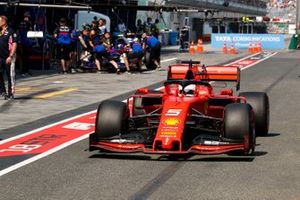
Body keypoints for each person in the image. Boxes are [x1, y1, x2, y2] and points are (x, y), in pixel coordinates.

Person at [0, 15, 18, 100]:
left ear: (4, 21)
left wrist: (10, 56)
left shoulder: (11, 31)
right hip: (0, 57)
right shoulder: (0, 31)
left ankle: (11, 93)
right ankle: (2, 91)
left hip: (8, 57)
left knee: (10, 75)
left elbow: (14, 44)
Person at [18, 12, 33, 76]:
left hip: (27, 42)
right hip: (21, 41)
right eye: (26, 17)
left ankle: (26, 70)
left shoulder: (30, 23)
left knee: (27, 56)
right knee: (22, 57)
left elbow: (31, 31)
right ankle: (22, 71)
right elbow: (18, 31)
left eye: (28, 17)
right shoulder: (20, 23)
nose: (27, 18)